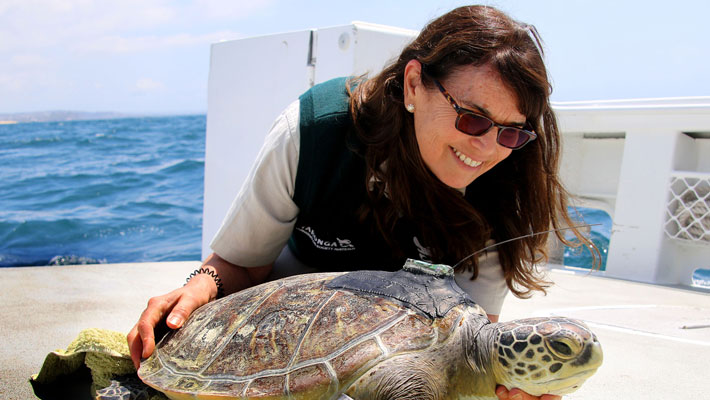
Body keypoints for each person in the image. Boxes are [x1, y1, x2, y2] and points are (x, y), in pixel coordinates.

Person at [128, 5, 597, 400]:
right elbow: (241, 265)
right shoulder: (316, 132)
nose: (486, 148)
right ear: (414, 84)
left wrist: (499, 383)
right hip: (290, 338)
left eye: (511, 131)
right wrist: (201, 285)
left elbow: (471, 342)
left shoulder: (503, 191)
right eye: (473, 119)